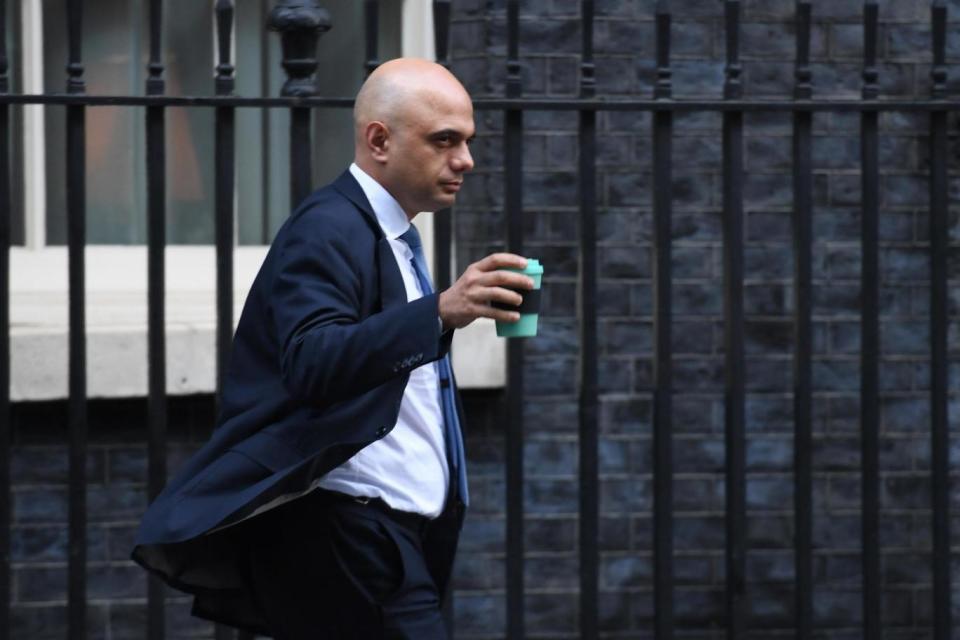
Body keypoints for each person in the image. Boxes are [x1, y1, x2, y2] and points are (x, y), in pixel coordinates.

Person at [131, 58, 534, 639]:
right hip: (350, 534)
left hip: (390, 539)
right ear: (379, 140)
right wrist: (442, 310)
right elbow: (312, 360)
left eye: (467, 141)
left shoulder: (393, 235)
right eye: (445, 140)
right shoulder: (330, 226)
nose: (466, 160)